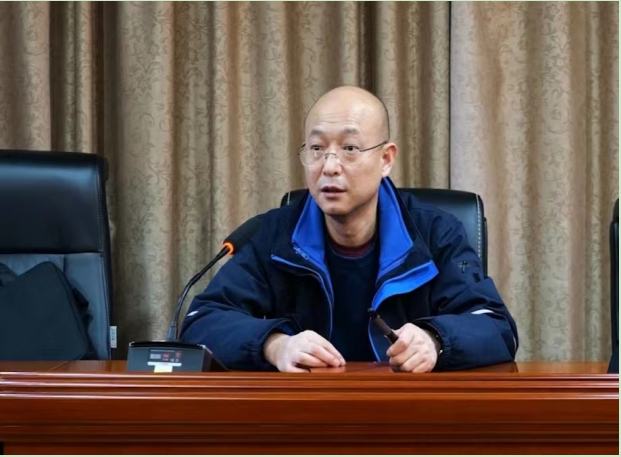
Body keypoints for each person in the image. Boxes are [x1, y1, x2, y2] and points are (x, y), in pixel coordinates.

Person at [180, 86, 518, 373]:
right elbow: (201, 322)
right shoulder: (274, 234)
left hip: (409, 414)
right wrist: (274, 345)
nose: (329, 166)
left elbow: (496, 326)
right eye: (317, 149)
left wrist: (435, 340)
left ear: (386, 159)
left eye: (350, 149)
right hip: (305, 414)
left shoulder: (435, 233)